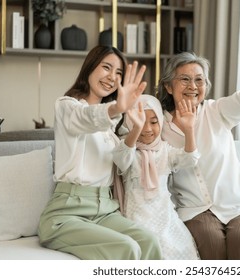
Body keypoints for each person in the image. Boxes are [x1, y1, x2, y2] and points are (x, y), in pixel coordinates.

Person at [156, 34, 240, 260]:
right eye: (184, 79)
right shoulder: (159, 126)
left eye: (199, 80)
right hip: (195, 210)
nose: (193, 86)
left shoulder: (217, 111)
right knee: (211, 245)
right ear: (168, 86)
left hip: (239, 205)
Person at [38, 46, 162, 260]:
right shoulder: (67, 107)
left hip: (105, 210)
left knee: (150, 242)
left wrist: (135, 130)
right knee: (127, 248)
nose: (112, 77)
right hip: (66, 214)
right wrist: (115, 109)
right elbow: (86, 117)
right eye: (106, 67)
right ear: (90, 67)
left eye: (119, 73)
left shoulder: (110, 129)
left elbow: (123, 164)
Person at [112, 94, 200, 260]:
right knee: (148, 249)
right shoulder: (127, 148)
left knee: (180, 249)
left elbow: (190, 159)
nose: (147, 129)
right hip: (136, 216)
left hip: (166, 216)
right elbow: (120, 160)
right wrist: (135, 130)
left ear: (160, 121)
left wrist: (189, 130)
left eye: (153, 122)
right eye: (140, 122)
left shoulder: (165, 150)